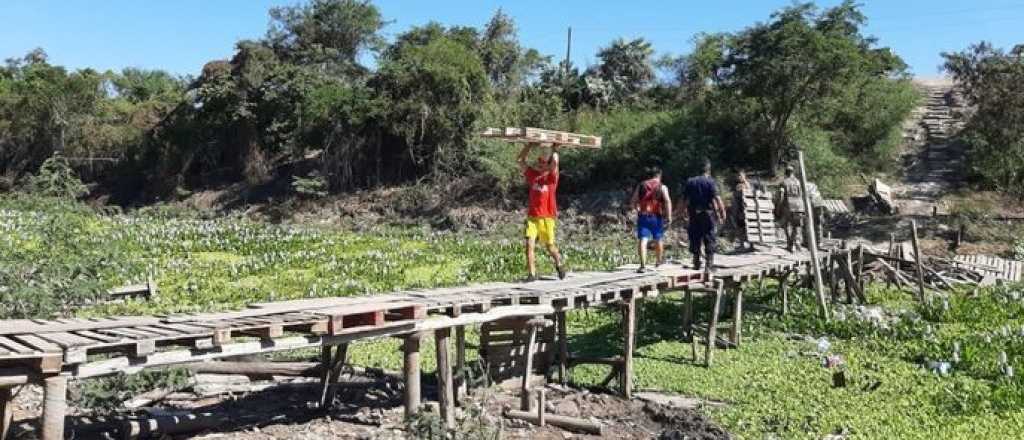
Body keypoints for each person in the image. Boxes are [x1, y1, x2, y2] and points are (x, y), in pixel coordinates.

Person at [517, 142, 567, 281]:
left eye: (543, 163)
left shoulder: (551, 178)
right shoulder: (533, 175)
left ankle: (559, 264)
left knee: (550, 247)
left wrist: (555, 150)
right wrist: (528, 145)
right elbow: (520, 161)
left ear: (548, 165)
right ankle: (532, 274)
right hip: (533, 217)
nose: (540, 165)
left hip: (547, 217)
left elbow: (555, 165)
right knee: (529, 245)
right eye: (539, 163)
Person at [679, 160, 727, 272]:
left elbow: (684, 199)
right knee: (709, 237)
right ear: (708, 170)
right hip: (707, 213)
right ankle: (708, 266)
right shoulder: (710, 182)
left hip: (693, 213)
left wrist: (680, 211)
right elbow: (717, 199)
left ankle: (696, 262)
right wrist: (722, 212)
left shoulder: (690, 181)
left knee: (695, 236)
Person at [630, 166, 672, 273]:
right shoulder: (662, 187)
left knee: (643, 239)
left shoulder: (641, 185)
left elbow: (633, 201)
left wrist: (637, 209)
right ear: (659, 175)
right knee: (658, 238)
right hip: (656, 217)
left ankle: (643, 265)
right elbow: (667, 201)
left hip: (643, 216)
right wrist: (669, 216)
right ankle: (658, 262)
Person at [778, 164, 806, 252]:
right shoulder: (798, 182)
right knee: (796, 226)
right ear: (792, 172)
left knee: (785, 225)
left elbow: (781, 195)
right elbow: (802, 194)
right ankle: (794, 243)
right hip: (799, 206)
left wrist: (779, 205)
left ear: (785, 173)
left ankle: (790, 243)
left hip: (788, 206)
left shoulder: (784, 182)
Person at [730, 169, 752, 252]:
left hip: (741, 210)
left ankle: (743, 244)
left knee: (741, 228)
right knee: (747, 227)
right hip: (747, 210)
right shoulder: (748, 185)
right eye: (738, 176)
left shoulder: (741, 185)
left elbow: (737, 197)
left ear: (744, 176)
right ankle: (749, 244)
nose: (738, 177)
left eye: (740, 175)